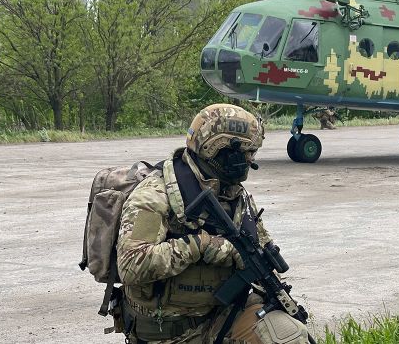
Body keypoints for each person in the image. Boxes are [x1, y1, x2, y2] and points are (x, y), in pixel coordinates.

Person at [116, 104, 310, 344]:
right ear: (218, 149)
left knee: (288, 336)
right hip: (169, 333)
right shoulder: (155, 195)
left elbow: (260, 244)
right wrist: (203, 245)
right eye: (247, 152)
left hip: (222, 316)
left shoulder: (235, 195)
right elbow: (132, 264)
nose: (251, 160)